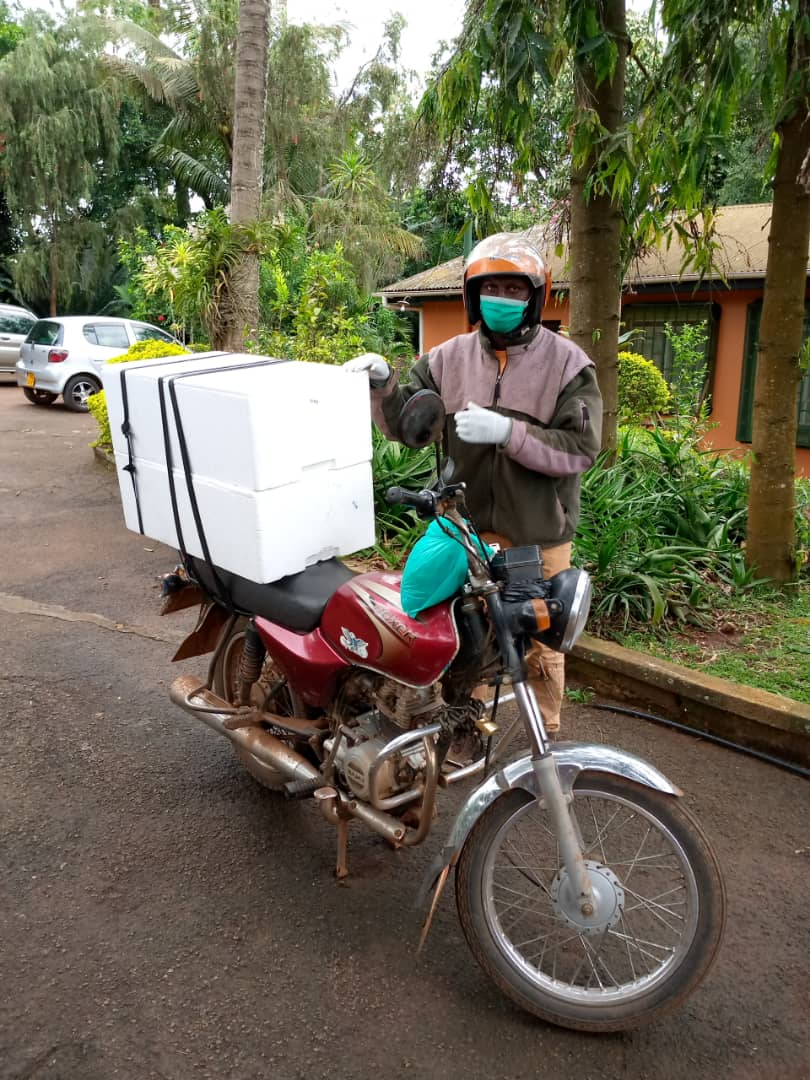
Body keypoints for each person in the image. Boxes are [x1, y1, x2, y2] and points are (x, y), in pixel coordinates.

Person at [343, 233, 602, 735]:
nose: (501, 298)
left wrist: (510, 433)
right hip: (464, 529)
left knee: (539, 642)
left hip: (537, 533)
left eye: (514, 289)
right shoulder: (448, 359)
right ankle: (467, 729)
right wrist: (384, 384)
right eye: (491, 288)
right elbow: (407, 426)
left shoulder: (568, 365)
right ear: (473, 294)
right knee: (465, 634)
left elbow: (580, 450)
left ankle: (543, 742)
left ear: (535, 297)